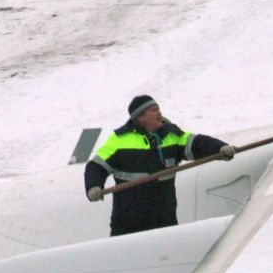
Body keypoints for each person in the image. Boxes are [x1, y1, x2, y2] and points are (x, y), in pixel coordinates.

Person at [83, 95, 234, 237]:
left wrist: (220, 148)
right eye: (153, 110)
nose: (159, 113)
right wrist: (93, 186)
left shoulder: (172, 135)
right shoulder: (119, 140)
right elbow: (96, 166)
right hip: (128, 222)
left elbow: (197, 144)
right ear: (140, 117)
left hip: (164, 219)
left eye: (158, 108)